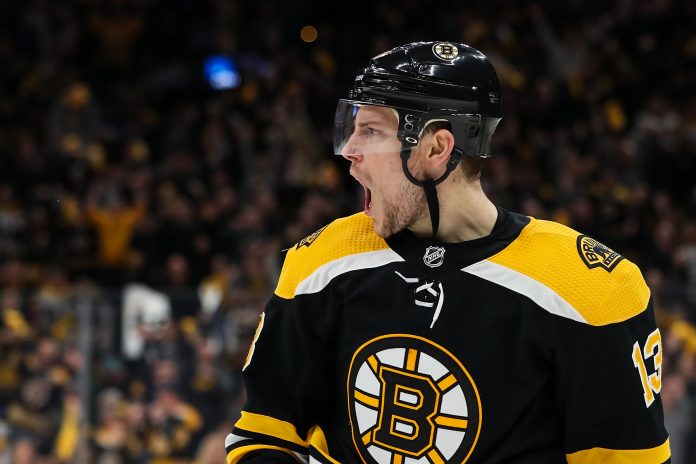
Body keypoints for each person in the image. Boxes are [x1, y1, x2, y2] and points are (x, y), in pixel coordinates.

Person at [225, 41, 671, 464]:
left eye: (371, 130)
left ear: (436, 148)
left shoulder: (591, 291)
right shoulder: (322, 261)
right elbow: (265, 435)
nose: (350, 151)